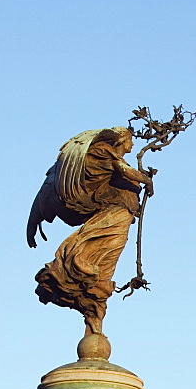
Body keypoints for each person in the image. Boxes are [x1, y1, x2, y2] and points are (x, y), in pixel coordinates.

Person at [29, 127, 154, 335]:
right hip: (112, 217)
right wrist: (147, 181)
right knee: (99, 248)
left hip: (122, 218)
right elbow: (123, 170)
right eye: (130, 140)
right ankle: (77, 273)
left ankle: (95, 305)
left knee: (108, 259)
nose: (132, 145)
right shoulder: (105, 152)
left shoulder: (117, 164)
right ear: (121, 140)